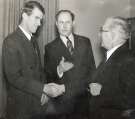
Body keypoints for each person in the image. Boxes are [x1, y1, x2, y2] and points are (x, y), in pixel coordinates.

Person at [2, 1, 65, 119]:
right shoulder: (10, 41)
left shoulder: (34, 41)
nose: (39, 23)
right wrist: (43, 89)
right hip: (20, 110)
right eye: (36, 18)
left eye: (40, 20)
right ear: (25, 16)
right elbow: (14, 78)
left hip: (37, 106)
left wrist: (44, 89)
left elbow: (39, 71)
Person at [44, 10, 95, 119]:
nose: (64, 26)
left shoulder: (85, 42)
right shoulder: (50, 48)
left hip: (84, 103)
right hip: (63, 107)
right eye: (61, 22)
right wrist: (59, 70)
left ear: (73, 23)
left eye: (67, 22)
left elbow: (92, 71)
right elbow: (48, 78)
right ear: (56, 24)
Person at [89, 17, 135, 119]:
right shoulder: (109, 56)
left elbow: (131, 100)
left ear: (113, 35)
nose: (99, 34)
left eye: (102, 30)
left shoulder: (129, 59)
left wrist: (102, 91)